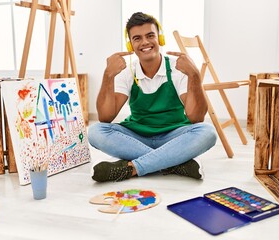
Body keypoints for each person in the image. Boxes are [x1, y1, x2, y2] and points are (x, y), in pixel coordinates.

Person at [88, 12, 217, 182]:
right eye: (137, 38)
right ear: (130, 45)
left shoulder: (178, 68)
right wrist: (108, 75)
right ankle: (174, 163)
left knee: (207, 132)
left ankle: (133, 168)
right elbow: (105, 117)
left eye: (150, 36)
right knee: (96, 131)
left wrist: (194, 75)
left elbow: (196, 117)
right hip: (137, 136)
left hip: (174, 135)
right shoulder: (128, 71)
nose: (145, 42)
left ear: (160, 39)